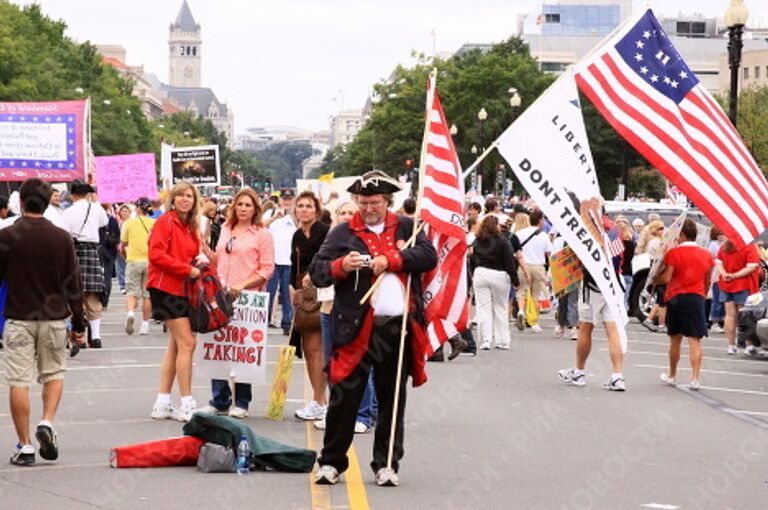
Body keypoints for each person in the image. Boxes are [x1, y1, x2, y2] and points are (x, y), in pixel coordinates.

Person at [310, 171, 437, 487]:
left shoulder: (408, 227)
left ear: (387, 202)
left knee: (392, 399)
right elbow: (317, 272)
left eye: (375, 202)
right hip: (355, 328)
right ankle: (332, 462)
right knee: (344, 397)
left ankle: (387, 464)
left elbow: (427, 256)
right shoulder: (342, 233)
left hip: (398, 328)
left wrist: (391, 259)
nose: (368, 208)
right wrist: (342, 266)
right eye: (363, 202)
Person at [1, 179, 86, 466]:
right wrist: (80, 325)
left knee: (18, 382)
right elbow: (74, 284)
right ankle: (47, 422)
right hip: (53, 319)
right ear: (49, 200)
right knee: (53, 375)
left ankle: (25, 446)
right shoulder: (61, 237)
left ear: (21, 202)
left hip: (19, 318)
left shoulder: (8, 236)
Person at [198, 188, 274, 418]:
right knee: (220, 347)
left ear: (255, 209)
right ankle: (219, 399)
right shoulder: (225, 229)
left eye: (248, 205)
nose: (243, 209)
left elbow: (267, 269)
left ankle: (241, 401)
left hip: (247, 298)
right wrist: (204, 248)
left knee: (242, 350)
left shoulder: (262, 234)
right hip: (220, 294)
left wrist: (243, 284)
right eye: (239, 204)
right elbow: (220, 259)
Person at [147, 182, 203, 422]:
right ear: (172, 198)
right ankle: (187, 402)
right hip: (166, 287)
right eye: (180, 195)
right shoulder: (166, 221)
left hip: (181, 287)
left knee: (177, 345)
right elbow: (156, 254)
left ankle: (163, 401)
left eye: (189, 195)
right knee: (188, 343)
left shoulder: (190, 226)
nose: (184, 199)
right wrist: (186, 269)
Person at [558, 216, 627, 392]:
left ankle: (579, 372)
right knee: (612, 330)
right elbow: (620, 255)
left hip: (593, 281)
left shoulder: (588, 226)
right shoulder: (612, 227)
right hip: (612, 281)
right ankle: (617, 376)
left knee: (586, 327)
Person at [654, 219, 713, 390]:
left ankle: (672, 374)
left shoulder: (674, 253)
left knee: (675, 339)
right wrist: (702, 292)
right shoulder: (706, 254)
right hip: (696, 297)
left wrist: (654, 281)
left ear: (682, 235)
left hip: (676, 297)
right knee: (695, 340)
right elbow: (708, 279)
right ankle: (695, 378)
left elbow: (666, 277)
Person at [292, 191, 331, 421]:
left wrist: (314, 276)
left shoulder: (325, 232)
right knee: (308, 350)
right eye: (300, 205)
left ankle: (320, 400)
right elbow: (292, 262)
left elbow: (329, 260)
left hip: (323, 293)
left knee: (317, 350)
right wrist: (291, 289)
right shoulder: (297, 235)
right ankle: (318, 400)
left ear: (317, 211)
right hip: (303, 297)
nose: (304, 209)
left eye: (309, 206)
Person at [62, 180, 108, 348]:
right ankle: (95, 337)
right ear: (87, 193)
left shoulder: (67, 212)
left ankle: (76, 336)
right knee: (93, 297)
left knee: (74, 297)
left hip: (73, 253)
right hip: (92, 252)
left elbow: (63, 233)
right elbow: (104, 222)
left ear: (73, 195)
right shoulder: (95, 208)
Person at [470, 215, 519, 350]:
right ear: (496, 226)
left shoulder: (477, 240)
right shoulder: (503, 241)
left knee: (483, 308)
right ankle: (502, 340)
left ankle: (485, 340)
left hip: (481, 273)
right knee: (501, 307)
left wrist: (473, 274)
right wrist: (515, 280)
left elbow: (472, 258)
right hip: (499, 274)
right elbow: (509, 262)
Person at [717, 238, 760, 355]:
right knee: (745, 315)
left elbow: (718, 263)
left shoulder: (724, 246)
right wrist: (735, 275)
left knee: (730, 316)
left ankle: (731, 346)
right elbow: (751, 267)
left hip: (726, 285)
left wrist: (725, 274)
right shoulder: (748, 247)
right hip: (744, 285)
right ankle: (748, 345)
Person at [121, 198, 156, 336]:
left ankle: (130, 313)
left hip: (134, 260)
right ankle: (145, 324)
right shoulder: (154, 223)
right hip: (150, 261)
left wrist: (125, 254)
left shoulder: (129, 223)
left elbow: (123, 243)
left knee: (131, 291)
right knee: (147, 295)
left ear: (137, 208)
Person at [513, 209, 551, 333]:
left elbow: (515, 251)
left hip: (524, 264)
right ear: (540, 220)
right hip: (538, 266)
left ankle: (521, 312)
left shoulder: (520, 233)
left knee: (521, 292)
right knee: (536, 295)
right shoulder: (544, 235)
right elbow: (548, 253)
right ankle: (534, 322)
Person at [266, 190, 297, 334]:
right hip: (273, 260)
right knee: (269, 293)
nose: (287, 201)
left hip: (289, 261)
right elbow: (260, 228)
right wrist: (274, 217)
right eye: (284, 199)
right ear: (280, 200)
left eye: (289, 199)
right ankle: (263, 321)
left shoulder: (296, 216)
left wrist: (293, 216)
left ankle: (287, 322)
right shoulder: (271, 214)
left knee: (286, 294)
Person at [707, 227, 726, 333]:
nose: (723, 235)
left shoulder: (719, 244)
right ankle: (714, 322)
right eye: (721, 233)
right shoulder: (714, 245)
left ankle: (721, 320)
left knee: (721, 299)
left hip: (721, 273)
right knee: (717, 299)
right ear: (716, 234)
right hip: (716, 274)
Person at [115, 204, 131, 294]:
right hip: (119, 245)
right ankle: (122, 285)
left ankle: (128, 284)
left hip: (128, 246)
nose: (124, 213)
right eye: (122, 211)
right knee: (120, 266)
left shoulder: (131, 222)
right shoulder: (118, 222)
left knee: (129, 266)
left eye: (126, 211)